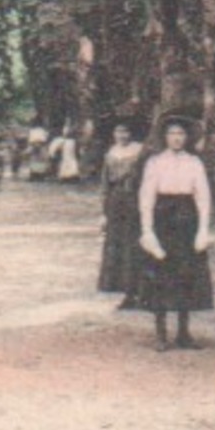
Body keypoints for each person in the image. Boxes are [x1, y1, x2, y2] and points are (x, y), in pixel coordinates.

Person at [136, 113, 214, 351]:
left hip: (186, 219)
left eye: (181, 133)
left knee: (185, 274)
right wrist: (147, 229)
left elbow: (203, 197)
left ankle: (183, 332)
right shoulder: (155, 162)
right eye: (172, 133)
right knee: (160, 273)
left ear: (187, 137)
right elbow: (146, 197)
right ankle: (161, 332)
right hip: (163, 219)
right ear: (165, 137)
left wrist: (202, 228)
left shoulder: (194, 162)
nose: (177, 138)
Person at [95, 114, 147, 309]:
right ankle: (126, 293)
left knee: (135, 246)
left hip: (135, 201)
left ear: (131, 133)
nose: (121, 135)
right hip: (116, 203)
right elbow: (105, 183)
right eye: (118, 131)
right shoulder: (110, 153)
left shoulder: (140, 152)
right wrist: (103, 211)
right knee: (118, 247)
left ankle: (141, 291)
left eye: (125, 131)